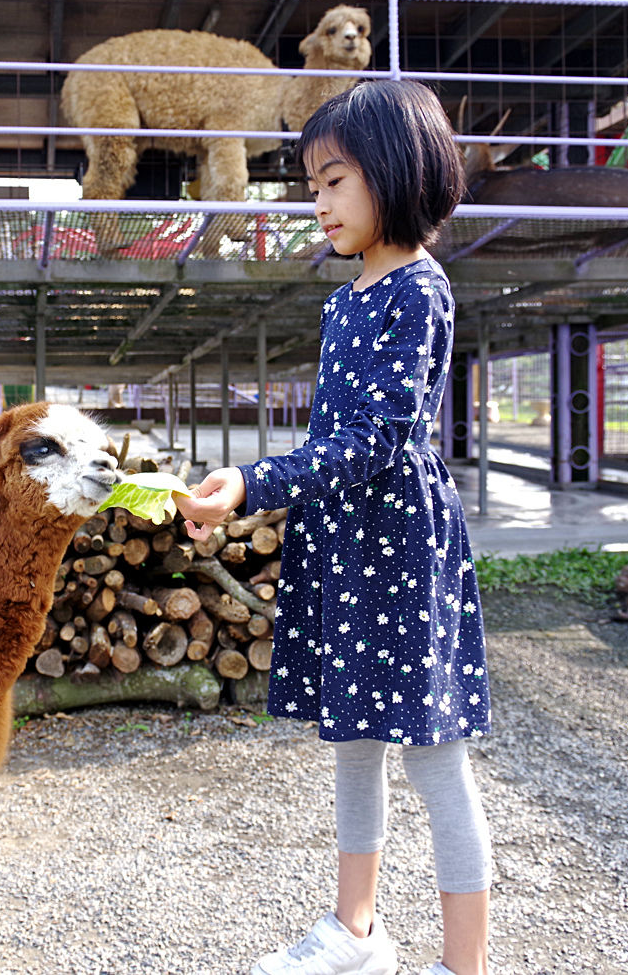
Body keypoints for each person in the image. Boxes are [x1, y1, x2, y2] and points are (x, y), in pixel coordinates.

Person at [175, 80, 492, 975]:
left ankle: (463, 966)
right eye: (311, 185)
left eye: (334, 180)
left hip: (401, 545)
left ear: (394, 171)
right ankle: (357, 932)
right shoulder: (347, 295)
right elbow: (332, 439)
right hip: (349, 543)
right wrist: (245, 495)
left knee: (435, 760)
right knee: (355, 743)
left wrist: (256, 480)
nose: (317, 201)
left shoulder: (420, 291)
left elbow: (377, 439)